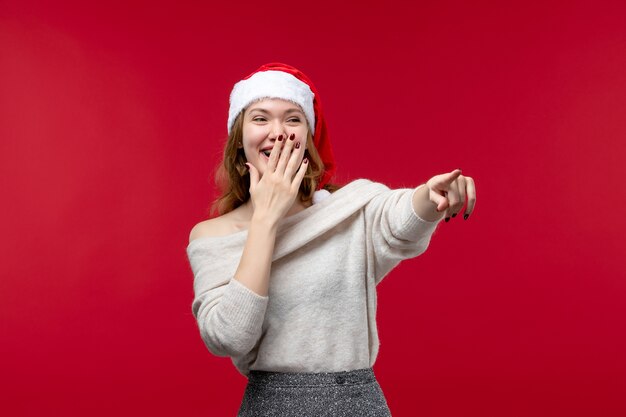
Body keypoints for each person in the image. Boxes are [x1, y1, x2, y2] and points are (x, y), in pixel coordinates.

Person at [186, 62, 477, 417]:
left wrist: (430, 198)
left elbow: (395, 218)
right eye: (260, 118)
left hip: (356, 403)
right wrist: (265, 218)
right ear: (239, 141)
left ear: (308, 140)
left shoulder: (346, 211)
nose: (278, 132)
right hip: (270, 407)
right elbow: (228, 337)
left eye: (292, 119)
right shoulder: (212, 236)